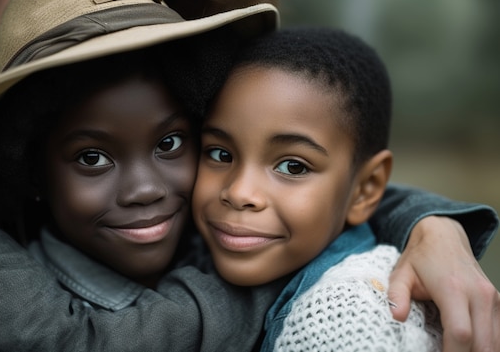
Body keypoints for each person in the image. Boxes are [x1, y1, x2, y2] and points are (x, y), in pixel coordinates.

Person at [0, 0, 496, 349]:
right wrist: (282, 269)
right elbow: (60, 341)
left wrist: (429, 224)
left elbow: (304, 164)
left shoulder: (157, 82)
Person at [192, 27, 450, 351]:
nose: (240, 192)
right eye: (220, 154)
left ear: (365, 189)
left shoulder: (344, 317)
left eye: (293, 166)